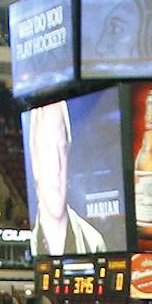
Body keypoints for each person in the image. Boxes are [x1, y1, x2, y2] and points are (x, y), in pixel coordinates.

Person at [24, 98, 109, 257]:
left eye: (62, 148)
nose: (57, 166)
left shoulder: (94, 243)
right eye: (47, 149)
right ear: (35, 161)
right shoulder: (29, 246)